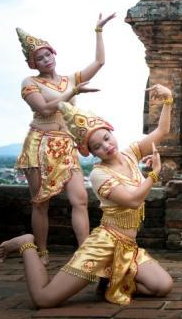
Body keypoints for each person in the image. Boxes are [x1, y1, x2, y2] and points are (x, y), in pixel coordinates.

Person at [0, 85, 175, 308]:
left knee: (162, 285)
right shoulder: (99, 174)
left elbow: (162, 131)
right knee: (45, 299)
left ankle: (110, 281)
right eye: (97, 146)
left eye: (107, 138)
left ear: (111, 130)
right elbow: (132, 200)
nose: (107, 147)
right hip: (103, 245)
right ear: (90, 152)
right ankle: (27, 244)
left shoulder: (130, 154)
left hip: (127, 246)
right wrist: (154, 175)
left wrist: (168, 100)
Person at [14, 14, 115, 265]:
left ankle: (85, 251)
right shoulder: (30, 83)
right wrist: (74, 91)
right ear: (32, 63)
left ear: (54, 54)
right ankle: (42, 251)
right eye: (39, 57)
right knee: (41, 203)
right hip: (40, 143)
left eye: (48, 54)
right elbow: (47, 109)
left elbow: (100, 62)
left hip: (66, 144)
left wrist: (98, 31)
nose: (46, 59)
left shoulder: (68, 79)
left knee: (79, 199)